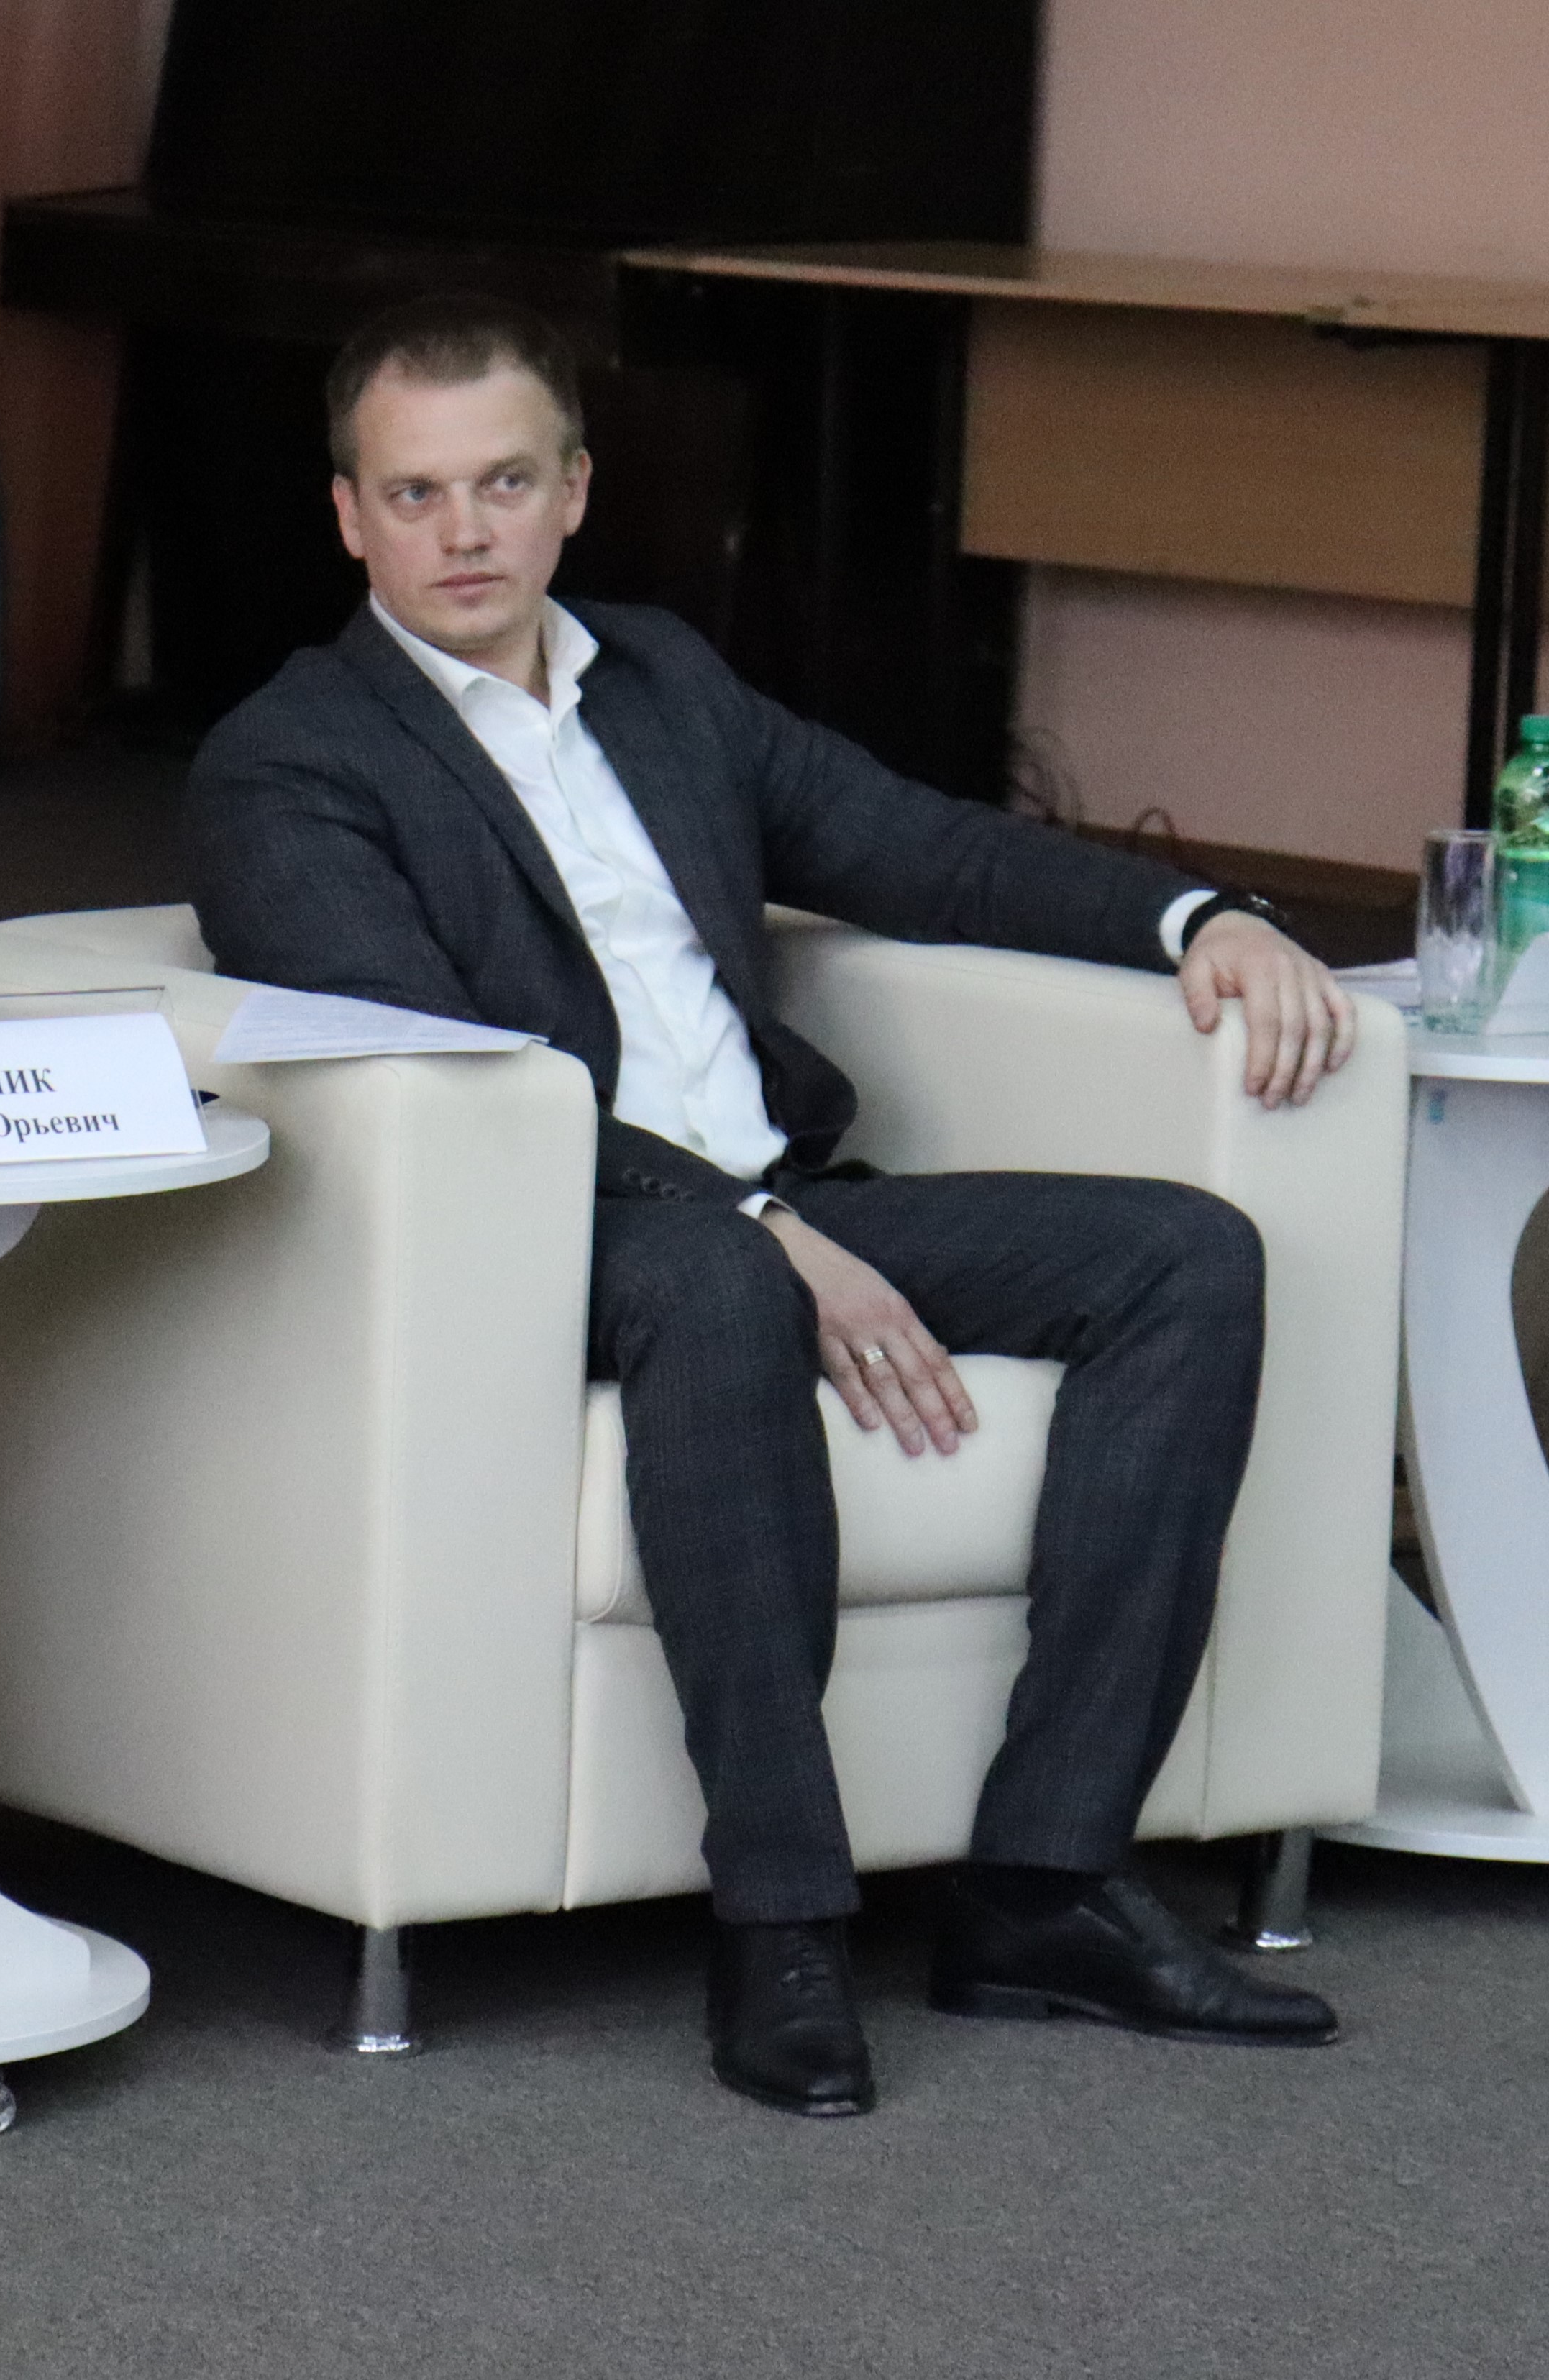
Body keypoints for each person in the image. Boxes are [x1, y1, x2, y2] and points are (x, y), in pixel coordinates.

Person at [186, 293, 1361, 2118]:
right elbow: (453, 1077)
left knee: (1184, 1255)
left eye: (506, 481)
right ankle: (784, 1918)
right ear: (350, 517)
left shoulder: (661, 681)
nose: (466, 530)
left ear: (576, 489)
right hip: (544, 1232)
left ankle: (1045, 1880)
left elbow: (921, 844)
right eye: (416, 494)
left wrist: (1197, 915)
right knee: (725, 1288)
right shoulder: (292, 758)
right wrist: (759, 1229)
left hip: (780, 1197)